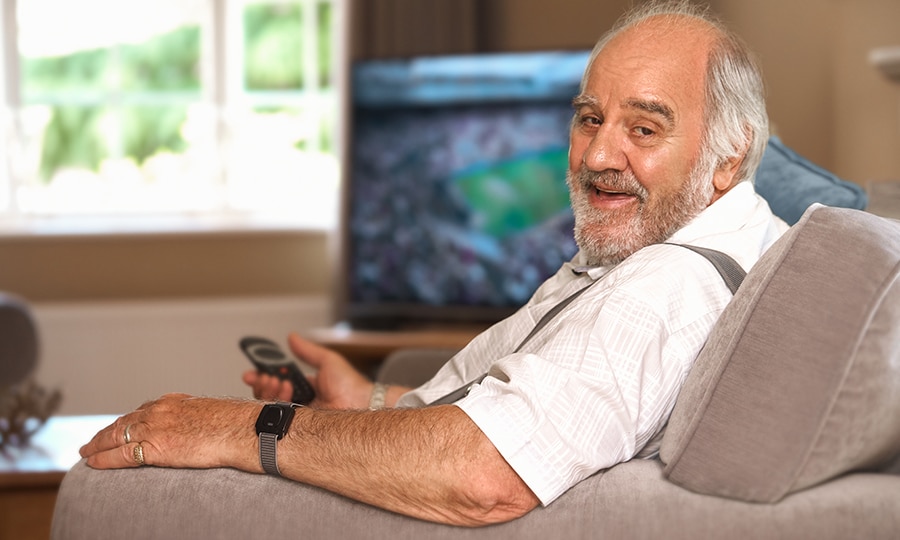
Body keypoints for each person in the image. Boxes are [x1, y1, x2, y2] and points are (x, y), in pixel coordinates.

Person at [80, 0, 788, 527]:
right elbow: (525, 400)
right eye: (588, 117)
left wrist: (242, 426)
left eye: (644, 127)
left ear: (728, 157)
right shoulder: (687, 244)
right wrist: (372, 404)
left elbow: (486, 471)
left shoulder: (666, 287)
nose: (598, 155)